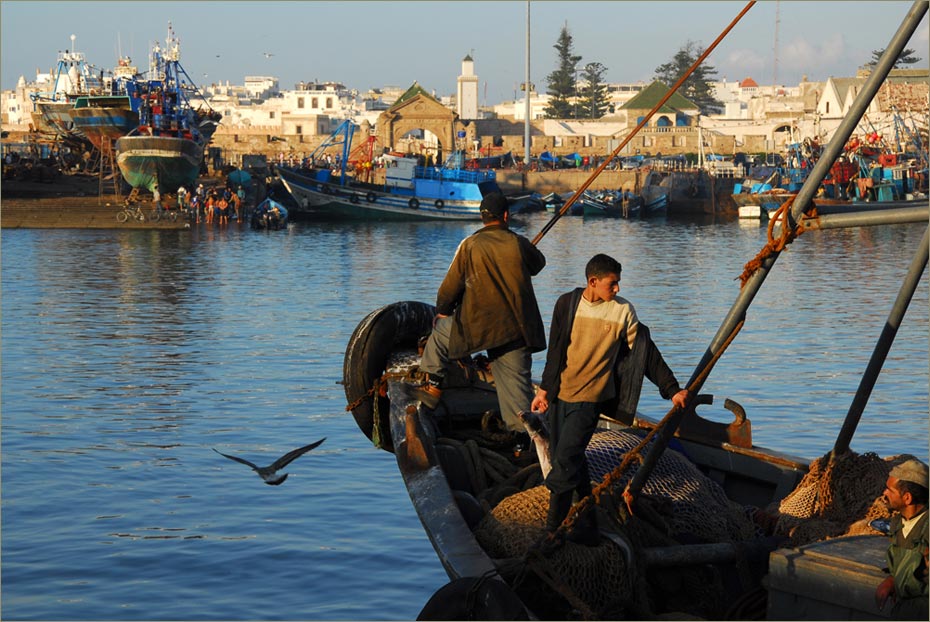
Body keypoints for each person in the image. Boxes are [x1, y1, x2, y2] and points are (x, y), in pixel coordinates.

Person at [531, 253, 689, 545]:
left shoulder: (623, 312)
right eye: (612, 283)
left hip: (591, 399)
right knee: (574, 462)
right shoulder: (566, 304)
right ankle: (588, 529)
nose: (616, 289)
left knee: (564, 461)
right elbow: (555, 353)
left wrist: (672, 389)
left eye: (618, 283)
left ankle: (552, 531)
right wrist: (543, 391)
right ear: (593, 281)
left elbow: (647, 353)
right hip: (560, 397)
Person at [415, 192, 547, 434]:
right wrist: (523, 246)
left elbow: (449, 289)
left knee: (440, 334)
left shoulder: (470, 245)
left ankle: (433, 386)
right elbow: (538, 264)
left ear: (483, 218)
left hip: (475, 327)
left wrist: (443, 312)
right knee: (518, 397)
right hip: (515, 330)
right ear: (506, 216)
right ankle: (521, 443)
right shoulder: (518, 244)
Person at [875, 458, 929, 619]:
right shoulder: (898, 523)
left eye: (889, 490)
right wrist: (892, 580)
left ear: (907, 498)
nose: (884, 493)